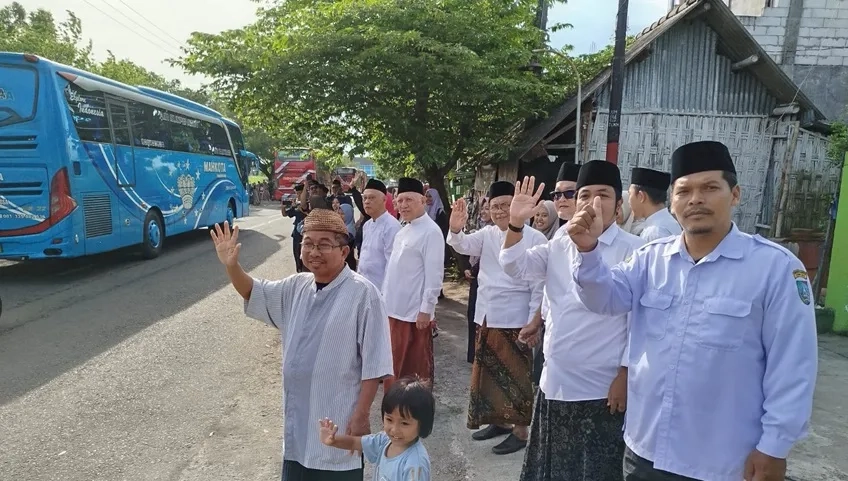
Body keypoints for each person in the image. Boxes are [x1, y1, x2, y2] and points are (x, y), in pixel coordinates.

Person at [568, 141, 819, 481]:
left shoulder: (774, 268)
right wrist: (588, 251)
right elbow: (604, 300)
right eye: (684, 191)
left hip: (723, 460)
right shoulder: (649, 259)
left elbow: (792, 365)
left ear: (735, 195)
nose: (696, 199)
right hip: (646, 450)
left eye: (710, 188)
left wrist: (775, 446)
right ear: (672, 204)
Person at [210, 210, 394, 481]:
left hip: (338, 418)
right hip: (299, 421)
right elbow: (253, 291)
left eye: (323, 245)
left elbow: (374, 362)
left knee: (335, 468)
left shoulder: (364, 295)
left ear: (344, 252)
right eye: (307, 243)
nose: (313, 251)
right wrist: (231, 266)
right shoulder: (295, 286)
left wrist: (361, 414)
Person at [500, 162, 645, 481]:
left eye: (603, 195)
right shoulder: (559, 243)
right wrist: (515, 224)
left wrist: (624, 374)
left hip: (601, 389)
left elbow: (640, 322)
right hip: (555, 381)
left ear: (619, 205)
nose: (593, 202)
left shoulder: (634, 250)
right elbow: (515, 267)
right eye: (585, 195)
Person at [448, 181, 546, 455]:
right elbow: (462, 243)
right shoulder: (487, 233)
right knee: (489, 374)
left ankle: (520, 431)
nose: (501, 211)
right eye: (495, 207)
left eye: (506, 205)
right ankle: (499, 422)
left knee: (516, 377)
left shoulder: (536, 238)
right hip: (487, 315)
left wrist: (533, 320)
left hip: (516, 318)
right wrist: (455, 227)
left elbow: (539, 286)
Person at [382, 177, 445, 391]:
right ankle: (394, 413)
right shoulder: (403, 231)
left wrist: (426, 311)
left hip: (413, 315)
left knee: (414, 370)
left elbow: (434, 276)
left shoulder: (431, 232)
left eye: (408, 199)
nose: (403, 205)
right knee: (394, 366)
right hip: (394, 310)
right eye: (399, 200)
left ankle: (413, 416)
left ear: (423, 200)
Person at [318, 376, 434, 481]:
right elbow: (354, 442)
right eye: (389, 420)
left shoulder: (415, 463)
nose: (394, 429)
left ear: (422, 424)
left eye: (404, 423)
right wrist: (333, 440)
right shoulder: (384, 441)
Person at [358, 178, 402, 290]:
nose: (367, 201)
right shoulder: (367, 225)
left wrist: (385, 293)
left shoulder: (392, 226)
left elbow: (392, 265)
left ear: (384, 200)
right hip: (364, 286)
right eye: (365, 198)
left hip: (381, 289)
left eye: (372, 198)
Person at [465, 196, 492, 363]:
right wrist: (468, 268)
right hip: (476, 279)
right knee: (473, 314)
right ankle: (473, 353)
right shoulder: (480, 230)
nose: (483, 211)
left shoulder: (501, 232)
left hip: (488, 282)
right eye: (483, 208)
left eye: (487, 208)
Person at [628, 167, 681, 241]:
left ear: (641, 196)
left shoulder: (654, 232)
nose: (628, 201)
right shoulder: (670, 222)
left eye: (630, 194)